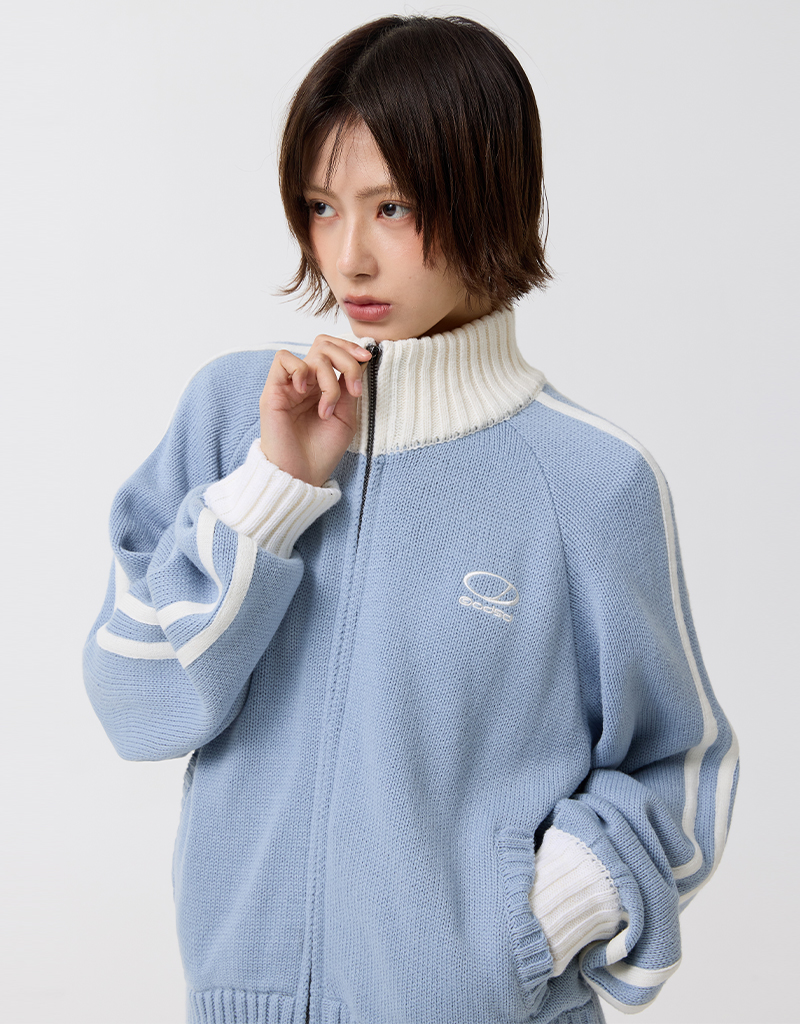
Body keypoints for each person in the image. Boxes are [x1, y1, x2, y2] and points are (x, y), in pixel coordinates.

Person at [83, 14, 738, 1024]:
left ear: (488, 193)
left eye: (392, 207)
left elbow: (679, 770)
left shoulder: (589, 481)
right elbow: (137, 701)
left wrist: (519, 935)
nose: (347, 258)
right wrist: (272, 491)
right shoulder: (233, 419)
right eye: (320, 207)